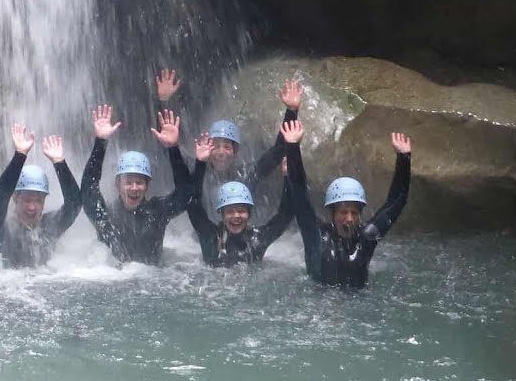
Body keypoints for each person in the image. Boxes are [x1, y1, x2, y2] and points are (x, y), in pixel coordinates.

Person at [290, 132, 412, 288]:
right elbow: (300, 198)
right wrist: (293, 148)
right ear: (333, 213)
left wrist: (404, 158)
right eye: (343, 212)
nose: (349, 218)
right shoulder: (317, 235)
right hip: (319, 304)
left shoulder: (366, 238)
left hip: (357, 303)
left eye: (354, 213)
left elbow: (396, 202)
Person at [155, 69, 302, 195]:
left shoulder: (246, 175)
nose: (221, 152)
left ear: (235, 151)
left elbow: (278, 151)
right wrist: (164, 101)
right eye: (216, 146)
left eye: (227, 147)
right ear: (207, 148)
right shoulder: (196, 169)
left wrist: (292, 111)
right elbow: (167, 145)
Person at [80, 105, 194, 265]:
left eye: (139, 182)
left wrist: (173, 148)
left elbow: (185, 195)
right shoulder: (105, 216)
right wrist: (101, 142)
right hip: (114, 281)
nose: (134, 188)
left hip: (152, 283)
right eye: (128, 182)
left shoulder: (157, 211)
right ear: (117, 185)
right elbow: (87, 190)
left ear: (147, 185)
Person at [186, 120, 307, 267]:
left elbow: (286, 214)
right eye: (230, 211)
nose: (236, 215)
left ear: (250, 213)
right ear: (221, 213)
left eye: (241, 211)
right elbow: (192, 202)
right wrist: (200, 162)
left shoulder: (257, 240)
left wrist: (289, 177)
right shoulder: (210, 238)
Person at [0, 125, 81, 268]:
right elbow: (0, 196)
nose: (32, 207)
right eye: (27, 200)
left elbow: (75, 205)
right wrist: (20, 155)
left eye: (38, 201)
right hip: (6, 287)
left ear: (45, 201)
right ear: (15, 198)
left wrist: (59, 163)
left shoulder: (49, 226)